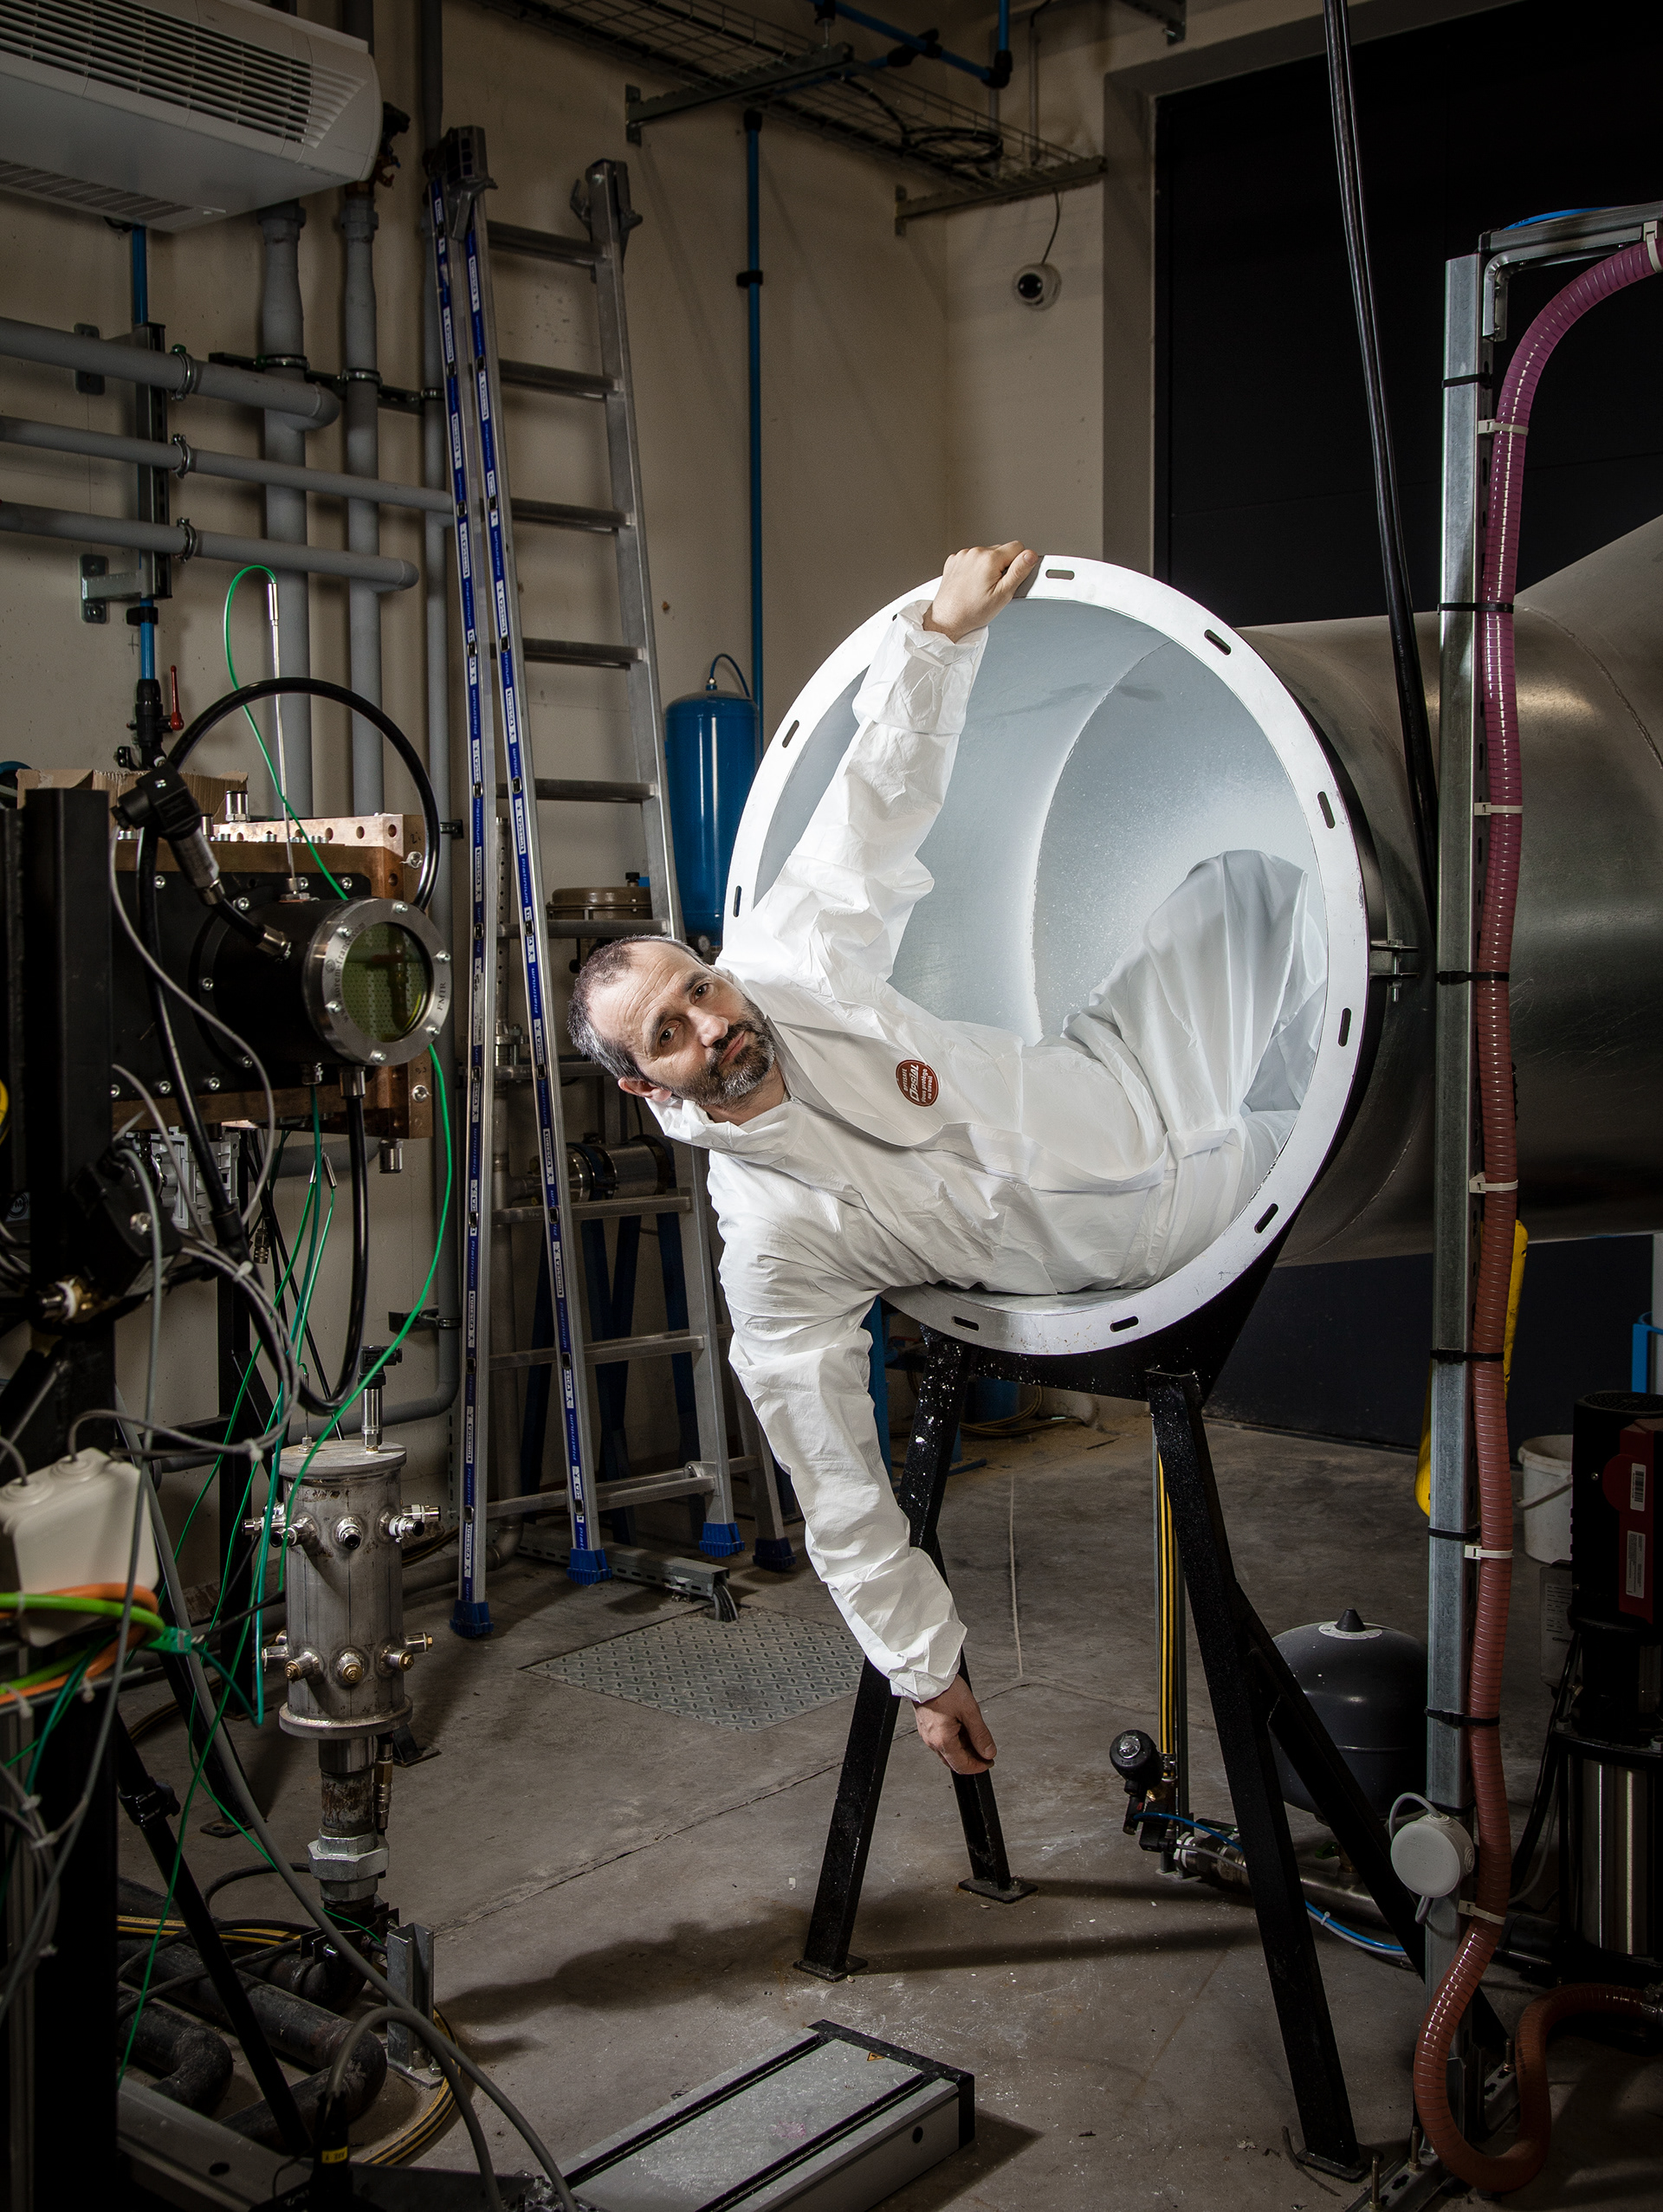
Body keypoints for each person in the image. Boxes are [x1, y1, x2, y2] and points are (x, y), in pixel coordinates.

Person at [567, 542, 1325, 1777]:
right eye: (670, 1034)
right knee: (1302, 1147)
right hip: (1147, 1225)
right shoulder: (774, 1243)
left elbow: (872, 804)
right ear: (649, 1088)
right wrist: (925, 1672)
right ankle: (1312, 1112)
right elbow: (837, 1483)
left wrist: (942, 636)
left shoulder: (791, 963)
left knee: (1251, 888)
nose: (714, 1022)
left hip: (1117, 1071)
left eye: (698, 985)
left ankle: (1385, 1032)